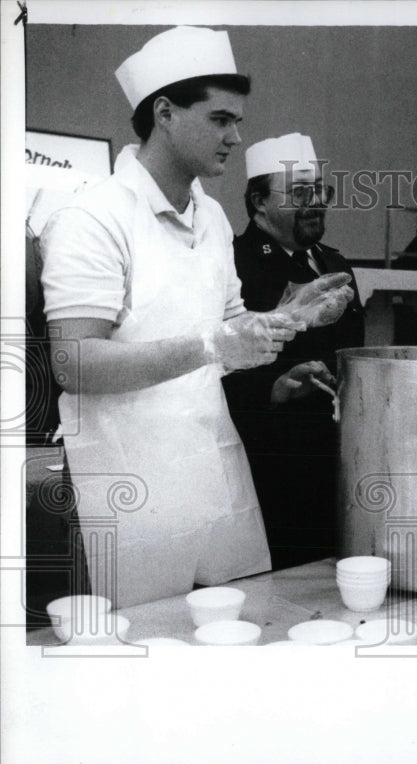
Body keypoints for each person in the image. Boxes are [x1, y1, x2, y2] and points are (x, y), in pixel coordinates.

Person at [39, 27, 310, 608]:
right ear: (164, 112)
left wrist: (288, 317)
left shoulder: (209, 216)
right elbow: (74, 360)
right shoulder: (92, 216)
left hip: (213, 469)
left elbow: (231, 326)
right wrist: (213, 345)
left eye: (237, 121)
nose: (236, 137)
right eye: (220, 120)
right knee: (146, 652)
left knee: (235, 631)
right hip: (129, 484)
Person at [222, 132, 363, 570]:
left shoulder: (334, 262)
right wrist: (275, 387)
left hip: (337, 456)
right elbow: (220, 364)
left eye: (321, 190)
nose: (317, 201)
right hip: (276, 460)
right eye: (301, 192)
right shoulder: (235, 264)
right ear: (259, 201)